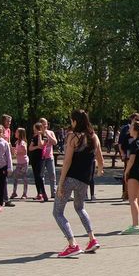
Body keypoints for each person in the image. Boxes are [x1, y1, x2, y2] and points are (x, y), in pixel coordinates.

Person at [53, 109, 105, 258]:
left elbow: (67, 161)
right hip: (84, 180)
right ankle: (92, 239)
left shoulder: (73, 136)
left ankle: (72, 244)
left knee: (57, 212)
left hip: (70, 178)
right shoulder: (94, 136)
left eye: (72, 120)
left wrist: (60, 183)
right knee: (80, 208)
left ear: (75, 121)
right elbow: (100, 158)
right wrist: (99, 170)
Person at [121, 121, 139, 235]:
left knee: (132, 199)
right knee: (138, 199)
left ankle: (135, 225)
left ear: (136, 130)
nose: (129, 128)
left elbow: (131, 160)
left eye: (131, 127)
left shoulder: (135, 143)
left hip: (135, 173)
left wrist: (126, 172)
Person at [118, 113, 139, 200]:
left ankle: (137, 193)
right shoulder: (125, 129)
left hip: (138, 156)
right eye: (136, 119)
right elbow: (121, 143)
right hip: (128, 154)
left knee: (137, 174)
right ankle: (125, 192)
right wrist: (122, 154)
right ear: (132, 119)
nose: (138, 121)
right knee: (127, 173)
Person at [28, 122, 48, 202]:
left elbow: (41, 145)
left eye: (35, 129)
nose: (34, 131)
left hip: (41, 158)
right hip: (34, 158)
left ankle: (44, 193)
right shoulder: (34, 137)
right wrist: (36, 147)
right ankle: (39, 193)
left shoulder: (45, 137)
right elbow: (30, 148)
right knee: (36, 176)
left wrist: (40, 135)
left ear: (39, 129)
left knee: (39, 176)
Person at [40, 118, 59, 199]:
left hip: (49, 157)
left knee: (52, 174)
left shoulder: (50, 132)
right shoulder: (39, 133)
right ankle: (41, 192)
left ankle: (53, 192)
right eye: (44, 124)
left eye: (46, 124)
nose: (45, 125)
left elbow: (55, 142)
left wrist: (48, 135)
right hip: (41, 157)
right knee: (41, 175)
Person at [11, 128, 30, 199]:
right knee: (15, 176)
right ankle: (14, 192)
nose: (15, 133)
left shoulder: (22, 142)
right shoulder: (17, 142)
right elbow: (16, 152)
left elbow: (25, 152)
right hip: (19, 162)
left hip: (24, 162)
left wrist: (16, 152)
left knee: (24, 177)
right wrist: (14, 151)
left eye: (16, 132)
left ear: (20, 134)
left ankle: (24, 194)